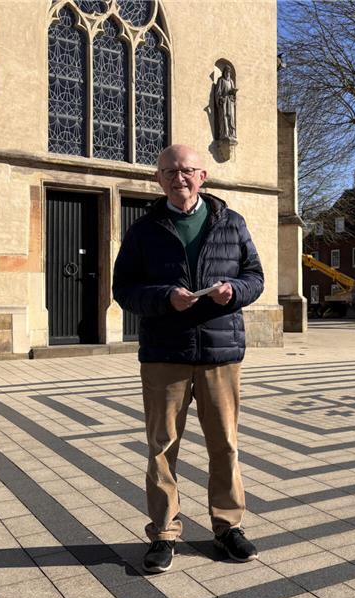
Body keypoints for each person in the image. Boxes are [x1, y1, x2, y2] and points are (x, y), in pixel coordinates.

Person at [112, 144, 264, 573]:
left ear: (203, 177)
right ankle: (163, 532)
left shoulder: (232, 224)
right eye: (169, 171)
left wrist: (234, 291)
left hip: (220, 353)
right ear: (158, 179)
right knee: (162, 446)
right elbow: (123, 289)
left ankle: (228, 527)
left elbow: (256, 278)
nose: (179, 178)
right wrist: (164, 298)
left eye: (187, 171)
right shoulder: (144, 230)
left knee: (226, 445)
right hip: (165, 353)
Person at [215, 67, 237, 141]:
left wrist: (233, 94)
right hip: (224, 102)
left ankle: (231, 133)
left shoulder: (231, 82)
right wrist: (220, 98)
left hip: (230, 102)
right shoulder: (221, 80)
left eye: (229, 73)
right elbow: (218, 92)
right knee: (224, 117)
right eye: (226, 72)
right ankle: (224, 134)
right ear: (224, 73)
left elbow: (234, 94)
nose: (227, 74)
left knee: (231, 117)